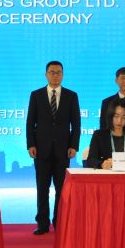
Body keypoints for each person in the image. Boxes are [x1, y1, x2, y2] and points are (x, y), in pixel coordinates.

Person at [26, 61, 81, 235]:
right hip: (41, 149)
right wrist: (31, 144)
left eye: (58, 72)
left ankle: (60, 222)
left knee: (61, 189)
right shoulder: (36, 95)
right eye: (52, 72)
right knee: (42, 188)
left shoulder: (71, 96)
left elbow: (76, 124)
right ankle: (42, 223)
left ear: (63, 75)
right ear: (46, 75)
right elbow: (30, 122)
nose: (55, 75)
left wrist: (74, 146)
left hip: (63, 150)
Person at [86, 97, 125, 169]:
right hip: (106, 174)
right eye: (116, 116)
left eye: (124, 117)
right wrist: (102, 164)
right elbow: (90, 160)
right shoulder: (99, 135)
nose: (119, 121)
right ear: (110, 116)